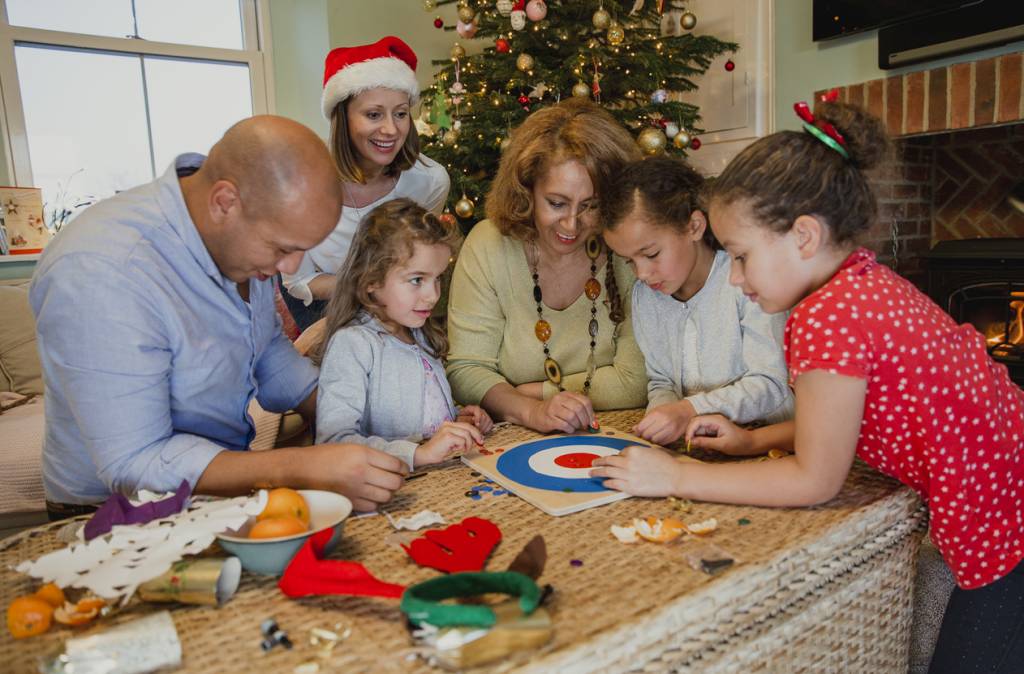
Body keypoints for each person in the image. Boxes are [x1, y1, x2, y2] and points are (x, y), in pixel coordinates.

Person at [590, 98, 1024, 673]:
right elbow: (848, 417)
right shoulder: (861, 282)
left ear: (804, 236)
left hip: (1006, 513)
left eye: (742, 256)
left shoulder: (824, 317)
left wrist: (676, 475)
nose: (737, 277)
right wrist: (753, 441)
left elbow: (818, 479)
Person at [31, 116, 409, 517]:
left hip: (210, 495)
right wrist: (302, 466)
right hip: (108, 512)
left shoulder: (242, 239)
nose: (288, 266)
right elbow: (136, 461)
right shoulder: (101, 270)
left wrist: (360, 414)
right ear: (224, 202)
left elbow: (267, 354)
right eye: (281, 248)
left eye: (301, 249)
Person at [446, 98, 647, 434]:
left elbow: (635, 382)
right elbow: (466, 369)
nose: (571, 225)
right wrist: (532, 411)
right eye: (556, 203)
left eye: (590, 206)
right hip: (513, 435)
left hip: (618, 430)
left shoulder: (625, 250)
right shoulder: (488, 245)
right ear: (526, 190)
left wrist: (535, 393)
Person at [599, 156, 792, 446]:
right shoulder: (645, 296)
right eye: (629, 261)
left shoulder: (746, 282)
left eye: (651, 254)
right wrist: (663, 415)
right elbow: (661, 381)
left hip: (772, 444)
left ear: (694, 226)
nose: (642, 273)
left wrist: (687, 410)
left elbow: (770, 384)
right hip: (702, 445)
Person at [280, 35, 450, 330]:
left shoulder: (430, 181)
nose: (390, 129)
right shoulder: (299, 185)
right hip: (323, 299)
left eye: (400, 114)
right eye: (373, 114)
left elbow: (419, 261)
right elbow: (299, 281)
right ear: (342, 118)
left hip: (393, 298)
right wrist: (369, 289)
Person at [313, 198, 493, 470]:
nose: (433, 295)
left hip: (443, 483)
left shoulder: (420, 335)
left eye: (438, 279)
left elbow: (418, 418)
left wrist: (456, 420)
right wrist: (417, 454)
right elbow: (333, 444)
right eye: (417, 280)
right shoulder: (353, 344)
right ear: (371, 280)